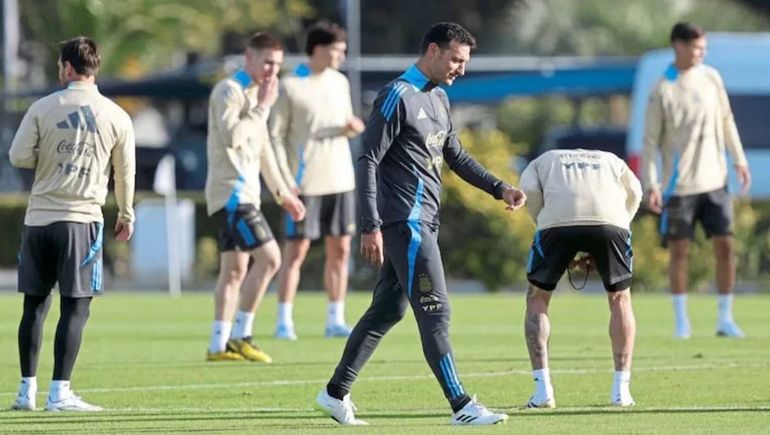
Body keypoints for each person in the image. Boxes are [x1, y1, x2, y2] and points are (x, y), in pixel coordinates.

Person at [314, 22, 525, 426]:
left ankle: (334, 392)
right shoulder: (396, 96)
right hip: (404, 223)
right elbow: (368, 160)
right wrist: (370, 225)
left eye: (465, 62)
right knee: (436, 311)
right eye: (456, 59)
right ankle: (462, 405)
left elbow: (456, 156)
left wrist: (501, 188)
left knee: (386, 311)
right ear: (432, 50)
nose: (460, 69)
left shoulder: (440, 99)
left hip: (425, 222)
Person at [8, 36, 135, 412]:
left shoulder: (42, 107)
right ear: (94, 68)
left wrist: (49, 160)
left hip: (38, 220)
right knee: (76, 308)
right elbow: (124, 174)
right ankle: (60, 392)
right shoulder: (116, 115)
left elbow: (17, 157)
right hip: (81, 222)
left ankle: (25, 391)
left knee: (34, 305)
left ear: (66, 67)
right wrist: (126, 214)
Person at [643, 22, 751, 339]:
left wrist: (739, 159)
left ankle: (725, 318)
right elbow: (650, 142)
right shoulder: (662, 88)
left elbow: (727, 119)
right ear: (679, 45)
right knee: (679, 252)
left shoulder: (711, 77)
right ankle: (681, 321)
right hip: (679, 187)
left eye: (704, 48)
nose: (701, 53)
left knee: (726, 246)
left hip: (715, 181)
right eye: (696, 48)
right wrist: (651, 183)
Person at [204, 32, 305, 363]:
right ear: (249, 59)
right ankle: (241, 335)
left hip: (246, 195)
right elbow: (233, 137)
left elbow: (265, 152)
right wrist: (262, 106)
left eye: (277, 64)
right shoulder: (229, 92)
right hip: (231, 196)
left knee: (234, 269)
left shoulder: (259, 96)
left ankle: (218, 345)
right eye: (267, 62)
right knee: (271, 258)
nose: (272, 71)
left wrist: (283, 193)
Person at [520, 149, 642, 408]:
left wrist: (545, 225)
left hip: (556, 222)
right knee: (620, 298)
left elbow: (529, 191)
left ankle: (543, 392)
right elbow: (635, 191)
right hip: (612, 221)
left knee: (537, 298)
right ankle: (621, 391)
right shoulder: (611, 159)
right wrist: (620, 224)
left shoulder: (542, 160)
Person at [269, 22, 365, 340]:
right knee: (296, 252)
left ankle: (335, 319)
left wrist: (352, 127)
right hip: (304, 183)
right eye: (337, 50)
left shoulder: (339, 82)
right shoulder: (290, 85)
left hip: (340, 179)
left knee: (341, 250)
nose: (341, 56)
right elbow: (275, 137)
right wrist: (285, 181)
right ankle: (284, 320)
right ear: (319, 49)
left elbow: (343, 122)